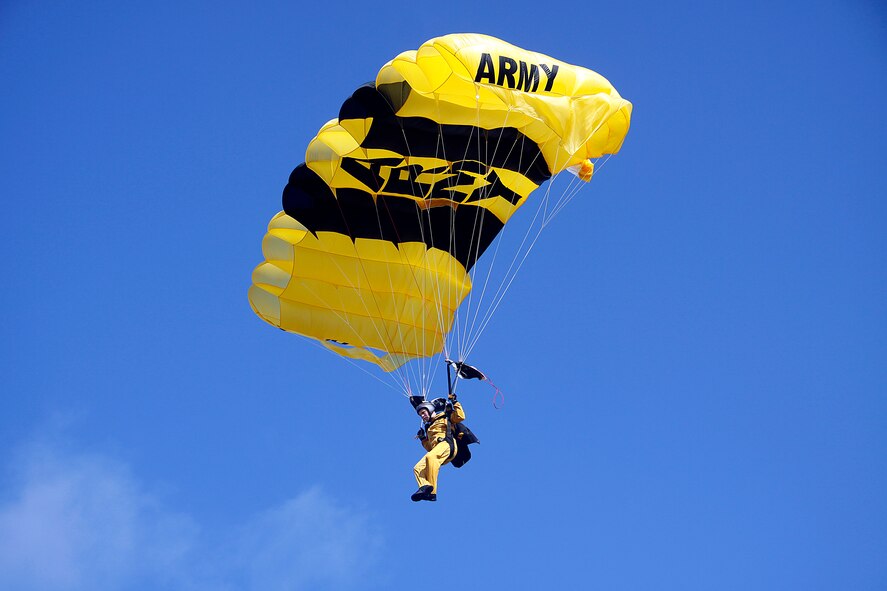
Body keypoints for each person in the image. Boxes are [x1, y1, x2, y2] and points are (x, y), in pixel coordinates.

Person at [411, 393, 466, 502]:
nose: (422, 416)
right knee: (417, 468)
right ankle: (425, 487)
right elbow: (431, 449)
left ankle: (432, 492)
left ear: (430, 409)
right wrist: (423, 439)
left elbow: (460, 417)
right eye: (420, 415)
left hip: (447, 444)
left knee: (430, 457)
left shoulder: (445, 417)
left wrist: (455, 402)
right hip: (438, 451)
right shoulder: (429, 428)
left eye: (423, 413)